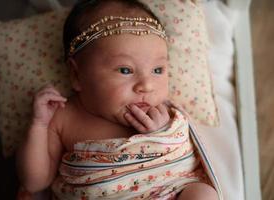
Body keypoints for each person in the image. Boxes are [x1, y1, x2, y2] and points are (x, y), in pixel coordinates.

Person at [17, 0, 219, 199]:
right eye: (125, 70)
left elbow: (184, 161)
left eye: (158, 70)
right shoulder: (63, 116)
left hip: (166, 192)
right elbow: (35, 181)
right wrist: (38, 125)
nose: (146, 86)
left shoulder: (163, 114)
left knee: (203, 193)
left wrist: (163, 136)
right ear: (76, 75)